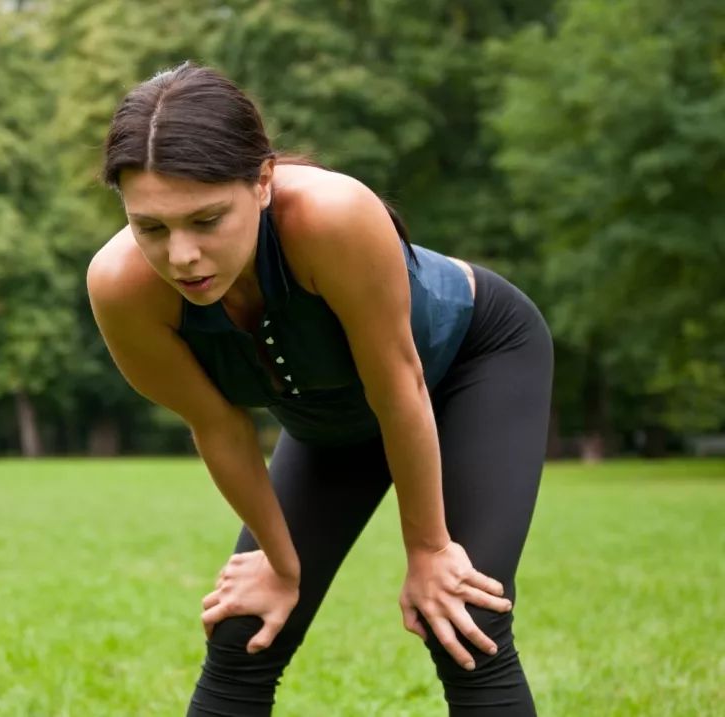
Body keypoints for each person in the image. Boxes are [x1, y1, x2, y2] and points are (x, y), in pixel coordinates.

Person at [86, 61, 553, 716]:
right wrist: (281, 564)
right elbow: (219, 427)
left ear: (264, 180)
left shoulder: (333, 217)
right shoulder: (122, 289)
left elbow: (400, 384)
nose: (182, 256)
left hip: (470, 363)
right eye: (152, 227)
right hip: (332, 418)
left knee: (461, 616)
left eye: (207, 219)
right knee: (245, 629)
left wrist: (427, 547)